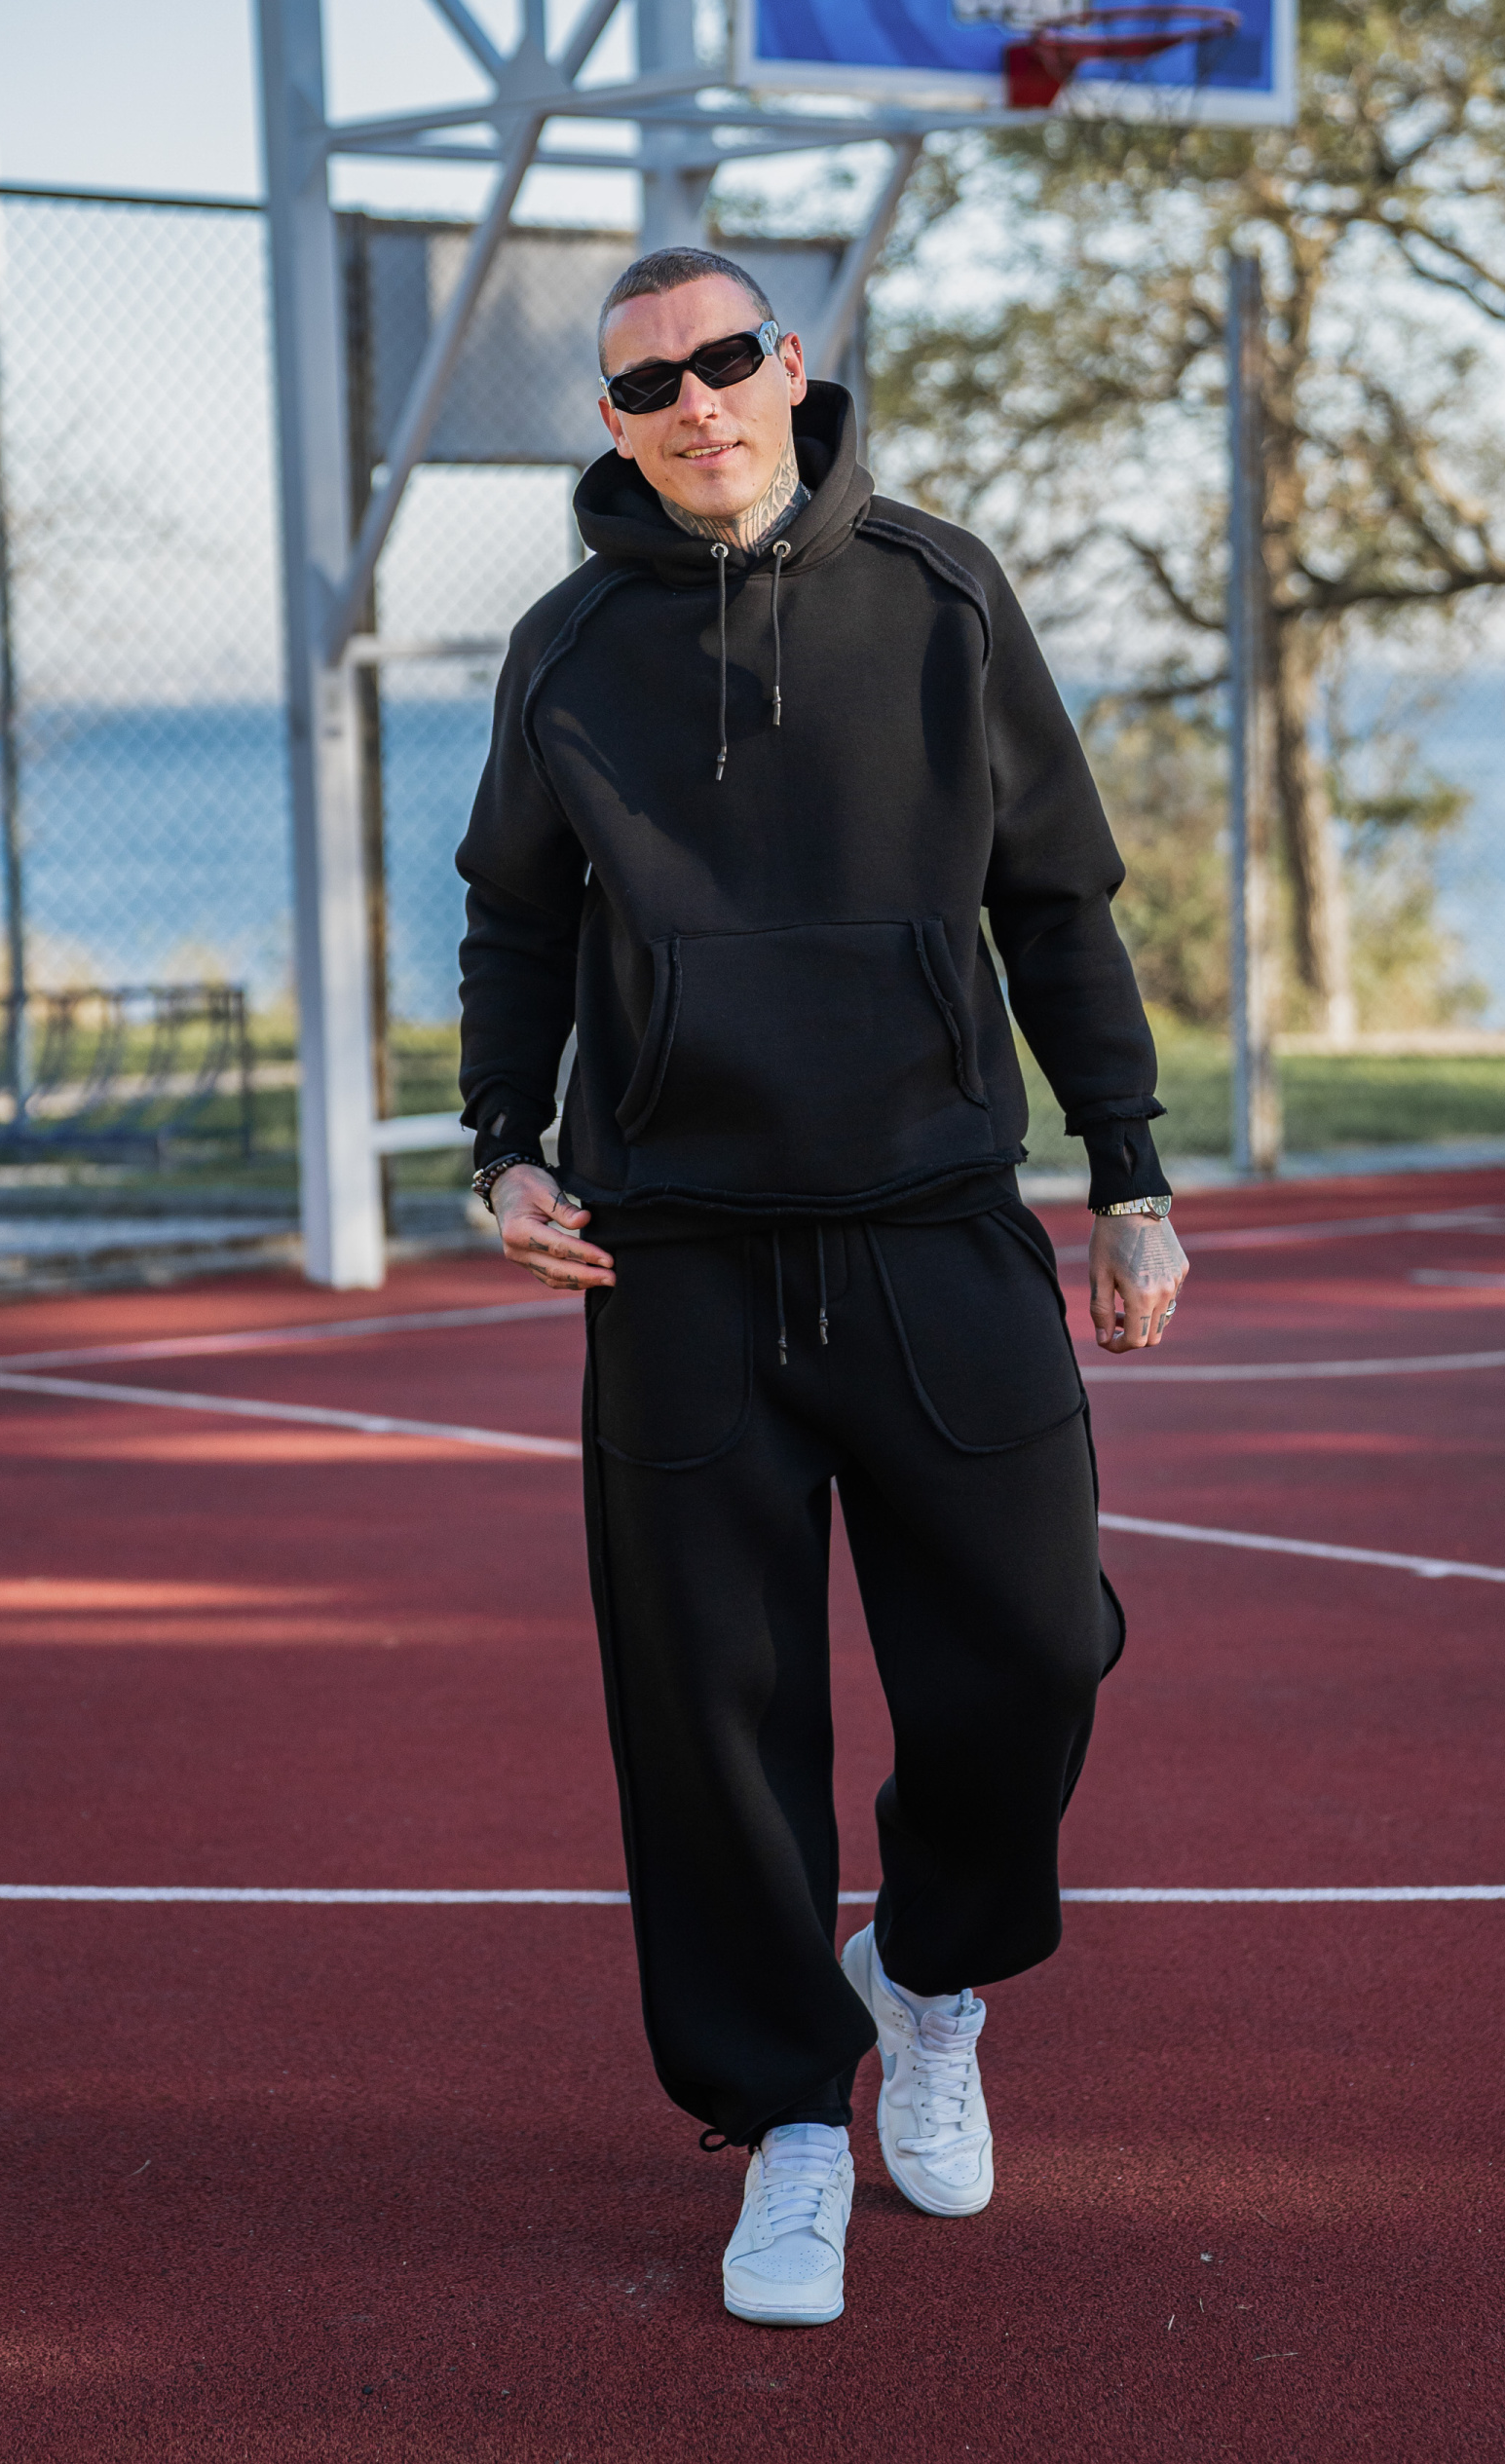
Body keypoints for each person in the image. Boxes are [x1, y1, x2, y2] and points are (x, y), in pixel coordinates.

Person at [456, 247, 1187, 2326]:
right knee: (710, 1716)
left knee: (1036, 1650)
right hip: (673, 1250)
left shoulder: (942, 593)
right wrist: (502, 1148)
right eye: (643, 386)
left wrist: (1126, 1170)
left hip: (933, 1218)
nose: (691, 403)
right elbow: (515, 921)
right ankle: (786, 2120)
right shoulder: (566, 647)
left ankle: (928, 1974)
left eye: (720, 361)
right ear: (612, 426)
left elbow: (1056, 902)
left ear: (788, 367)